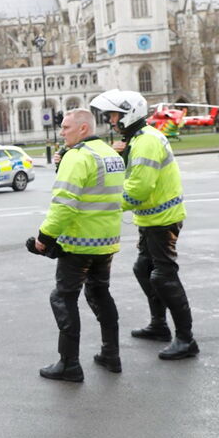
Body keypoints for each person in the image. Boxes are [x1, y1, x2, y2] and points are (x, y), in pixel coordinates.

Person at [90, 90, 199, 360]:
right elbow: (131, 176)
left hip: (163, 220)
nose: (112, 121)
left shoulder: (147, 141)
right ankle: (159, 325)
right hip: (151, 220)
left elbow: (138, 188)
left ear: (130, 115)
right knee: (144, 268)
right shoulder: (138, 139)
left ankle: (186, 340)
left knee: (163, 276)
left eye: (115, 115)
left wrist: (106, 205)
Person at [32, 109, 125, 382]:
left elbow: (64, 204)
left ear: (83, 128)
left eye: (66, 127)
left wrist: (44, 238)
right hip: (106, 243)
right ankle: (111, 354)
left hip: (78, 244)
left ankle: (69, 364)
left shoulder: (78, 156)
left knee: (63, 298)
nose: (62, 132)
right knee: (100, 294)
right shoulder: (110, 155)